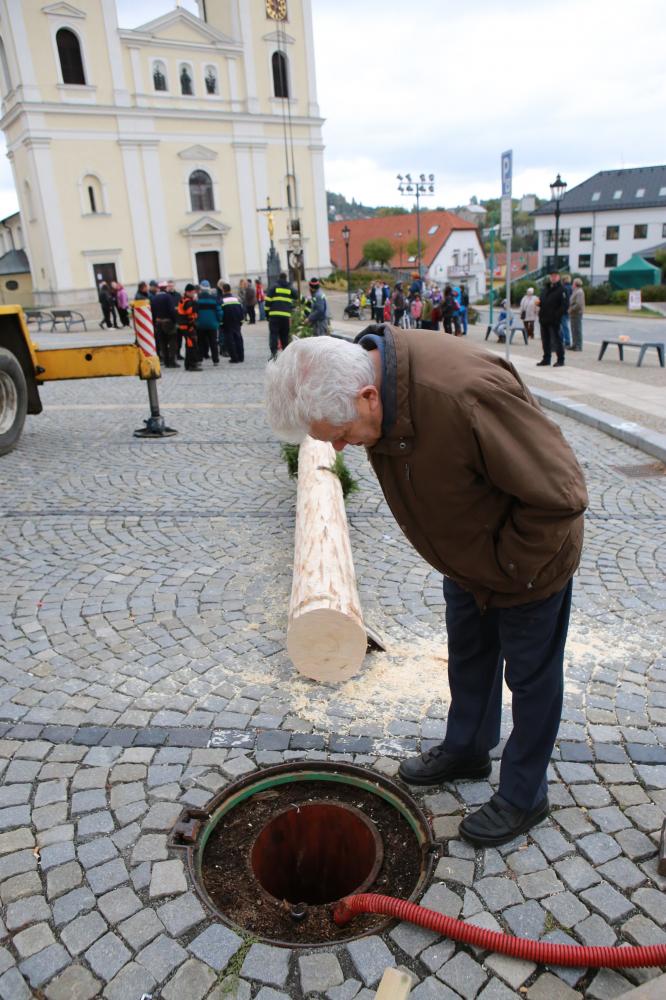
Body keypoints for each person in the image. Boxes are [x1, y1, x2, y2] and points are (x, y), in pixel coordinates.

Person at [265, 329, 587, 848]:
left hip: (528, 562)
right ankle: (468, 747)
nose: (342, 447)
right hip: (468, 559)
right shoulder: (372, 388)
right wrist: (471, 563)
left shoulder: (462, 394)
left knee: (531, 680)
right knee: (469, 656)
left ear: (369, 396)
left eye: (343, 434)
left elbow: (561, 493)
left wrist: (510, 566)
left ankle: (526, 794)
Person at [538, 271, 568, 367]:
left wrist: (556, 316)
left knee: (557, 340)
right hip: (544, 319)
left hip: (554, 320)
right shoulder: (546, 289)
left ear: (559, 277)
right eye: (552, 276)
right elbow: (542, 301)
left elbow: (564, 306)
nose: (553, 277)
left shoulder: (562, 290)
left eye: (555, 276)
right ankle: (546, 359)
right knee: (545, 340)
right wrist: (539, 303)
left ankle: (560, 359)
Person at [265, 272, 297, 359]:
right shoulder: (290, 288)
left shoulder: (273, 287)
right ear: (286, 278)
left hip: (274, 316)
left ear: (279, 278)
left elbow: (267, 302)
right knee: (284, 336)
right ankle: (285, 356)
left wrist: (267, 315)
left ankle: (274, 355)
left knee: (274, 335)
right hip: (285, 316)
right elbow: (297, 296)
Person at [151, 281, 178, 366]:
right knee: (172, 341)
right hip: (168, 322)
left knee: (163, 343)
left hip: (158, 323)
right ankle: (172, 361)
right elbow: (171, 310)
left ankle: (166, 361)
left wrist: (154, 322)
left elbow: (152, 312)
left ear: (159, 288)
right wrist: (175, 321)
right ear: (166, 288)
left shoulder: (154, 298)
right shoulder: (168, 297)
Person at [195, 279, 222, 365]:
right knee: (213, 343)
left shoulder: (197, 299)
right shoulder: (214, 298)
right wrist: (219, 320)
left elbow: (195, 312)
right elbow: (219, 311)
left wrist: (196, 321)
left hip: (200, 325)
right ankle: (215, 360)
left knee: (200, 343)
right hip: (212, 325)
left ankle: (199, 360)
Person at [177, 284, 201, 371]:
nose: (194, 294)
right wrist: (195, 303)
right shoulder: (188, 302)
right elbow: (190, 313)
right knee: (192, 345)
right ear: (188, 292)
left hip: (185, 326)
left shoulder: (183, 300)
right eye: (193, 292)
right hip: (188, 326)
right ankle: (192, 365)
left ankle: (188, 364)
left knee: (189, 345)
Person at [219, 283, 245, 363]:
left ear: (223, 290)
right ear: (230, 290)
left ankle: (234, 358)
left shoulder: (221, 301)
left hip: (227, 323)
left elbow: (220, 313)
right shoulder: (236, 299)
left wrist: (221, 324)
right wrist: (241, 322)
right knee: (238, 339)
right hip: (236, 323)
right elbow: (242, 311)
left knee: (230, 341)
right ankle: (241, 357)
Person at [569, 278, 585, 351]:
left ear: (575, 284)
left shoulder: (579, 292)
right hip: (573, 314)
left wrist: (571, 309)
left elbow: (579, 304)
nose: (572, 284)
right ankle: (574, 344)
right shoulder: (575, 291)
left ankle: (578, 345)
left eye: (573, 283)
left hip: (577, 313)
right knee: (573, 329)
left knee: (577, 329)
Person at [560, 275, 573, 348]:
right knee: (565, 326)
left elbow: (564, 299)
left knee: (563, 326)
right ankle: (566, 341)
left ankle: (566, 341)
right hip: (568, 310)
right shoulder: (571, 288)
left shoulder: (564, 288)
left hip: (563, 310)